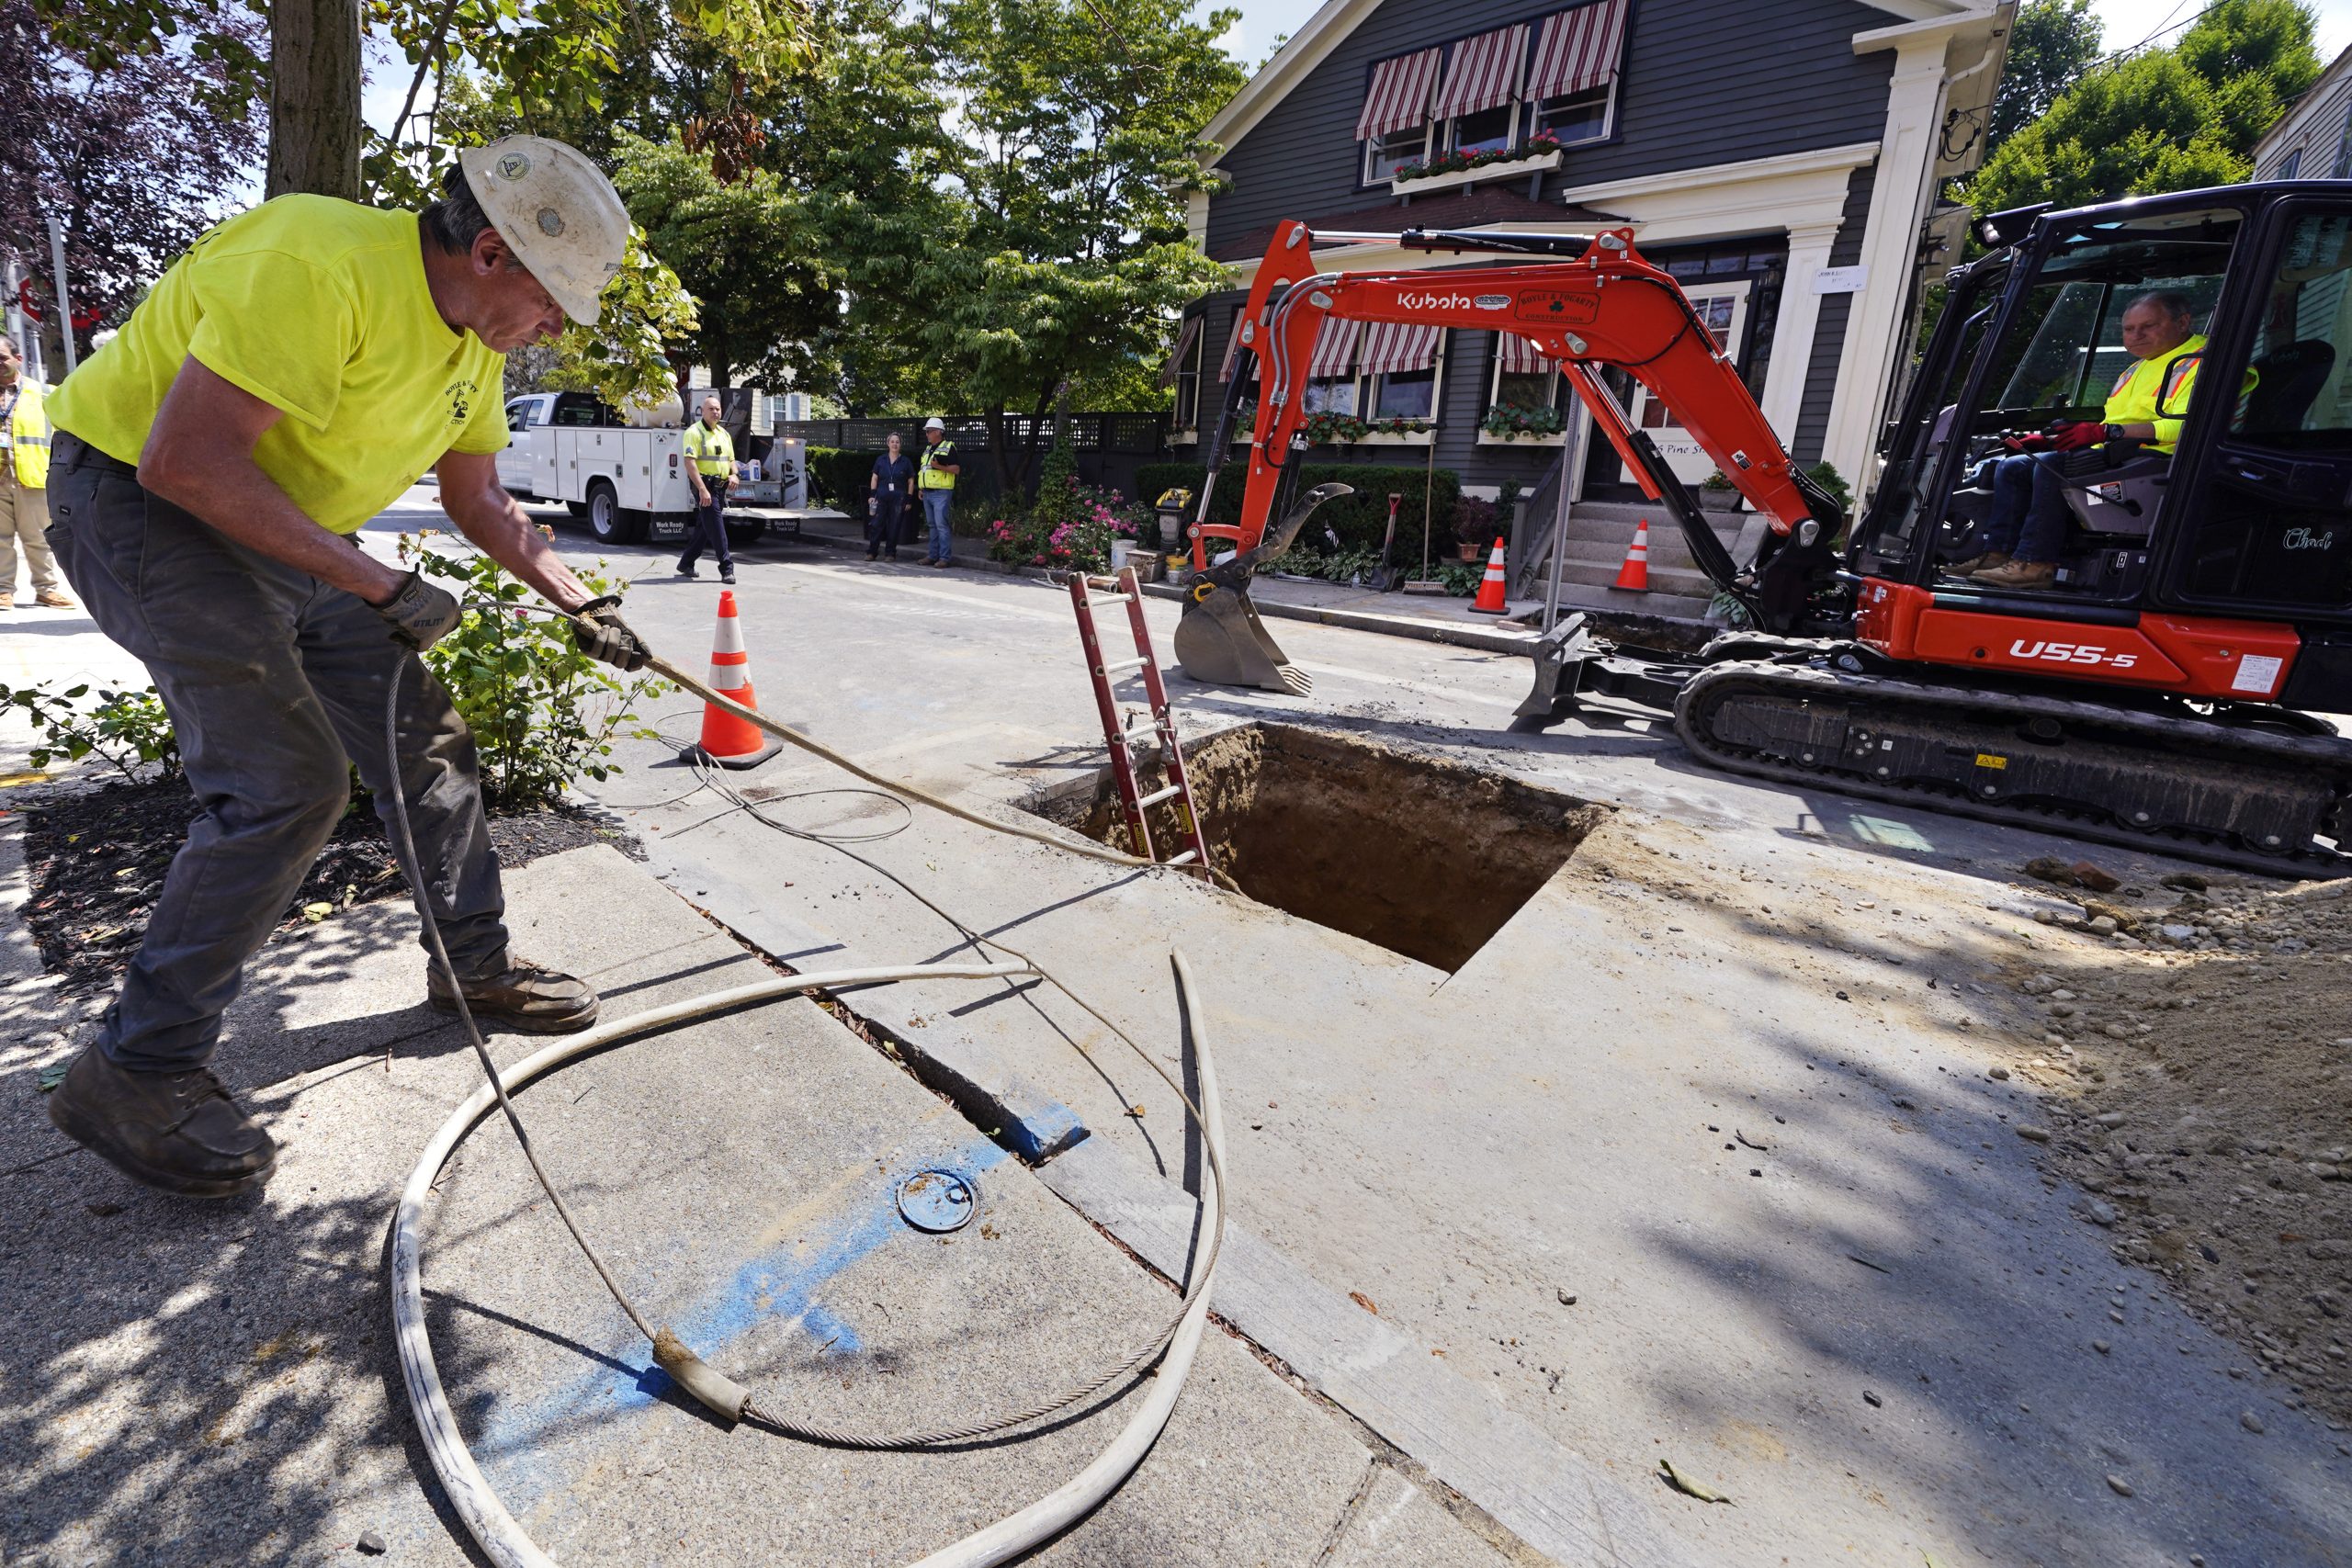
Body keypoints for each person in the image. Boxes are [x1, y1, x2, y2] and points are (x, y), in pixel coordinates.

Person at [37, 135, 654, 1199]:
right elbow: (184, 461)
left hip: (284, 530)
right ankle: (136, 1069)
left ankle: (475, 964)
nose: (557, 328)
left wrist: (578, 599)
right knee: (286, 784)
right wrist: (375, 582)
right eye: (554, 302)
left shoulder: (475, 346)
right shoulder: (317, 261)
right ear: (496, 253)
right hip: (143, 504)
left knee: (426, 739)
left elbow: (479, 501)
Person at [1960, 291, 2216, 592]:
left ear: (2183, 322)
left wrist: (2106, 434)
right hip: (2122, 451)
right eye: (2129, 329)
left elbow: (2190, 428)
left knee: (2053, 468)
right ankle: (1998, 555)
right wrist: (2051, 440)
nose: (2136, 335)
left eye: (2148, 326)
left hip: (2162, 461)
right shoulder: (2137, 367)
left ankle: (2036, 563)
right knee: (2014, 467)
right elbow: (2113, 423)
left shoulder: (2203, 363)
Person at [0, 333, 73, 611]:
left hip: (33, 477)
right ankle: (3, 591)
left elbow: (64, 432)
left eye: (2, 358)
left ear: (18, 359)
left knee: (40, 538)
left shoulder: (45, 392)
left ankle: (47, 590)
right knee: (0, 540)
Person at [677, 394, 736, 584]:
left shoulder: (724, 434)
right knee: (717, 527)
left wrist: (734, 474)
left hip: (719, 487)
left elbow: (731, 461)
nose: (716, 412)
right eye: (711, 409)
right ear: (703, 411)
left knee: (705, 527)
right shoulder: (694, 432)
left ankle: (686, 563)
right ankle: (727, 568)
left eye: (718, 409)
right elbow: (689, 462)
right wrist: (702, 489)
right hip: (705, 485)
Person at [917, 415, 960, 568]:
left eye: (929, 431)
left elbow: (956, 469)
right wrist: (921, 488)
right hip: (927, 492)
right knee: (932, 525)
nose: (927, 434)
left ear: (938, 432)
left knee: (941, 525)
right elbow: (924, 470)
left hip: (941, 492)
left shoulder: (949, 446)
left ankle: (944, 558)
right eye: (927, 431)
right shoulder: (928, 449)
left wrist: (939, 467)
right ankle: (933, 556)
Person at [867, 432, 914, 560]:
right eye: (892, 441)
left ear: (900, 445)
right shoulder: (881, 460)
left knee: (894, 526)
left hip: (898, 499)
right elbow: (874, 478)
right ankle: (871, 552)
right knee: (876, 525)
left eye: (897, 442)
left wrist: (909, 499)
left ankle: (890, 554)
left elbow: (911, 482)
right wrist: (872, 495)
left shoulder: (906, 461)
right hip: (881, 497)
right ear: (888, 444)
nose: (895, 444)